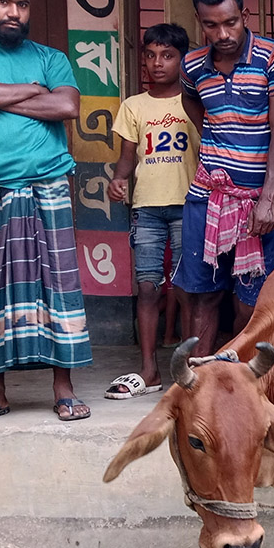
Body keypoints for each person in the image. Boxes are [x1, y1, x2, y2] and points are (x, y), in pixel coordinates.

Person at [0, 0, 92, 424]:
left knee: (60, 286)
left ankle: (64, 388)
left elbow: (67, 105)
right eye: (3, 2)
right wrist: (31, 92)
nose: (14, 12)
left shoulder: (51, 57)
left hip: (47, 183)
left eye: (22, 4)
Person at [174, 0, 274, 358]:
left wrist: (269, 198)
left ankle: (232, 372)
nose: (222, 33)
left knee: (250, 304)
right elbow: (195, 110)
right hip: (207, 197)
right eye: (211, 25)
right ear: (198, 21)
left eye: (230, 22)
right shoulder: (191, 65)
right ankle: (196, 383)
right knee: (203, 296)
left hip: (257, 201)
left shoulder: (272, 56)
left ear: (245, 15)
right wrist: (219, 137)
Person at [104, 23, 199, 398]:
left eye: (168, 56)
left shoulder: (193, 101)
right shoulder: (133, 105)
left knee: (189, 291)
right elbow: (127, 158)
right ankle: (150, 369)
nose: (158, 63)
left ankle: (189, 368)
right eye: (151, 55)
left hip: (188, 204)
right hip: (147, 208)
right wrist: (117, 180)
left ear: (182, 59)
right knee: (147, 288)